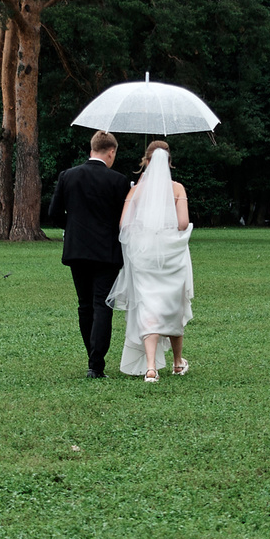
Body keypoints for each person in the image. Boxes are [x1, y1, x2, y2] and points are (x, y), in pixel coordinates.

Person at [47, 130, 132, 379]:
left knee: (84, 305)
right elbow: (124, 219)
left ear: (91, 149)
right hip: (106, 252)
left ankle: (92, 359)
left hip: (77, 250)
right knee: (102, 304)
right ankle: (96, 364)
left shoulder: (68, 176)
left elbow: (53, 213)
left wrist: (73, 229)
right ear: (111, 151)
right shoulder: (118, 181)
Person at [108, 140, 194, 382]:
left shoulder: (136, 191)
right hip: (171, 255)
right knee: (172, 305)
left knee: (148, 306)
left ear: (145, 162)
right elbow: (182, 224)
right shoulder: (177, 189)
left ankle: (150, 368)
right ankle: (177, 363)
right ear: (169, 163)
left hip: (144, 255)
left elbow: (124, 225)